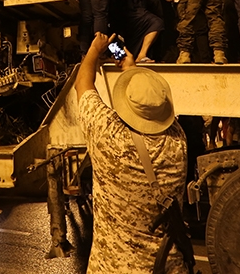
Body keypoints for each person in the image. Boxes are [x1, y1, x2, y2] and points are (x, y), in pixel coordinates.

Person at [76, 32, 190, 273]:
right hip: (167, 266)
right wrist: (131, 68)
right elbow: (149, 104)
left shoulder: (109, 134)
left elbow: (83, 85)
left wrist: (94, 50)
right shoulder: (178, 140)